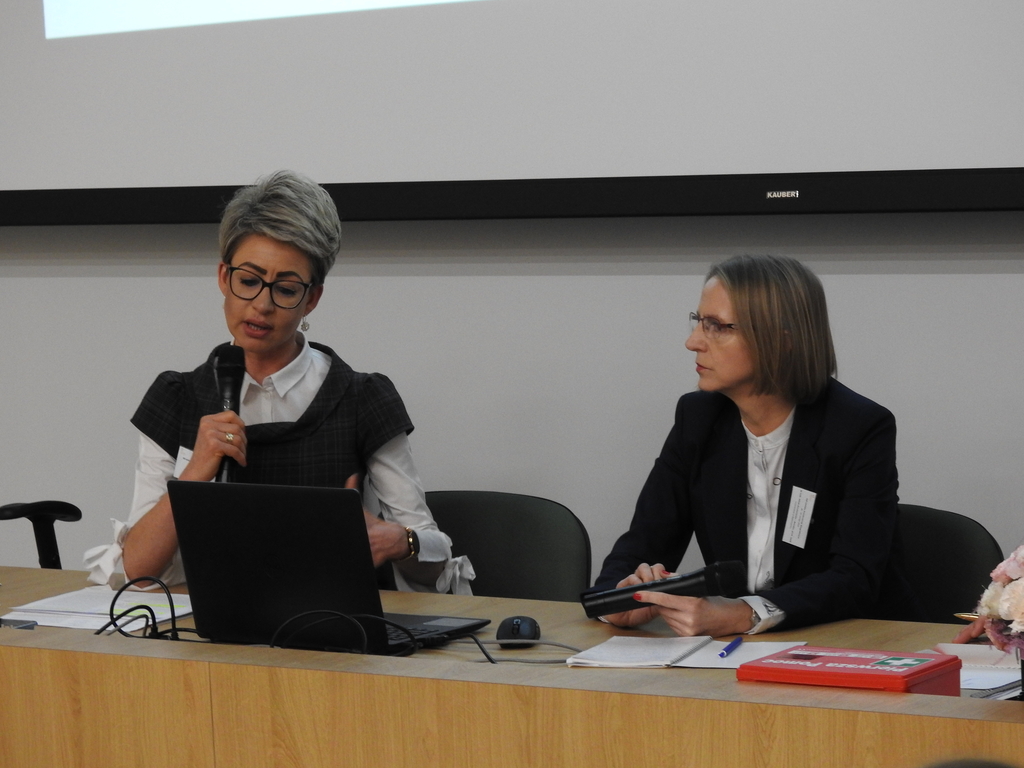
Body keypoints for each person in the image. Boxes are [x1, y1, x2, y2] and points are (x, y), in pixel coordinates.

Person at [85, 170, 472, 594]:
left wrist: (400, 541)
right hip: (207, 625)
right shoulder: (177, 397)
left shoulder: (361, 398)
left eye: (285, 289)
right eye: (248, 281)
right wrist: (194, 475)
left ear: (312, 299)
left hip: (330, 622)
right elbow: (139, 571)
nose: (262, 305)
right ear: (223, 278)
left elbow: (434, 568)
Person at [595, 254, 921, 636]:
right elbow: (640, 546)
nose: (693, 342)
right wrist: (619, 600)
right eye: (698, 321)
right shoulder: (697, 419)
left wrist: (744, 613)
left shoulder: (857, 427)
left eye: (717, 326)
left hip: (855, 642)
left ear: (782, 340)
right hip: (738, 652)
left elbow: (855, 578)